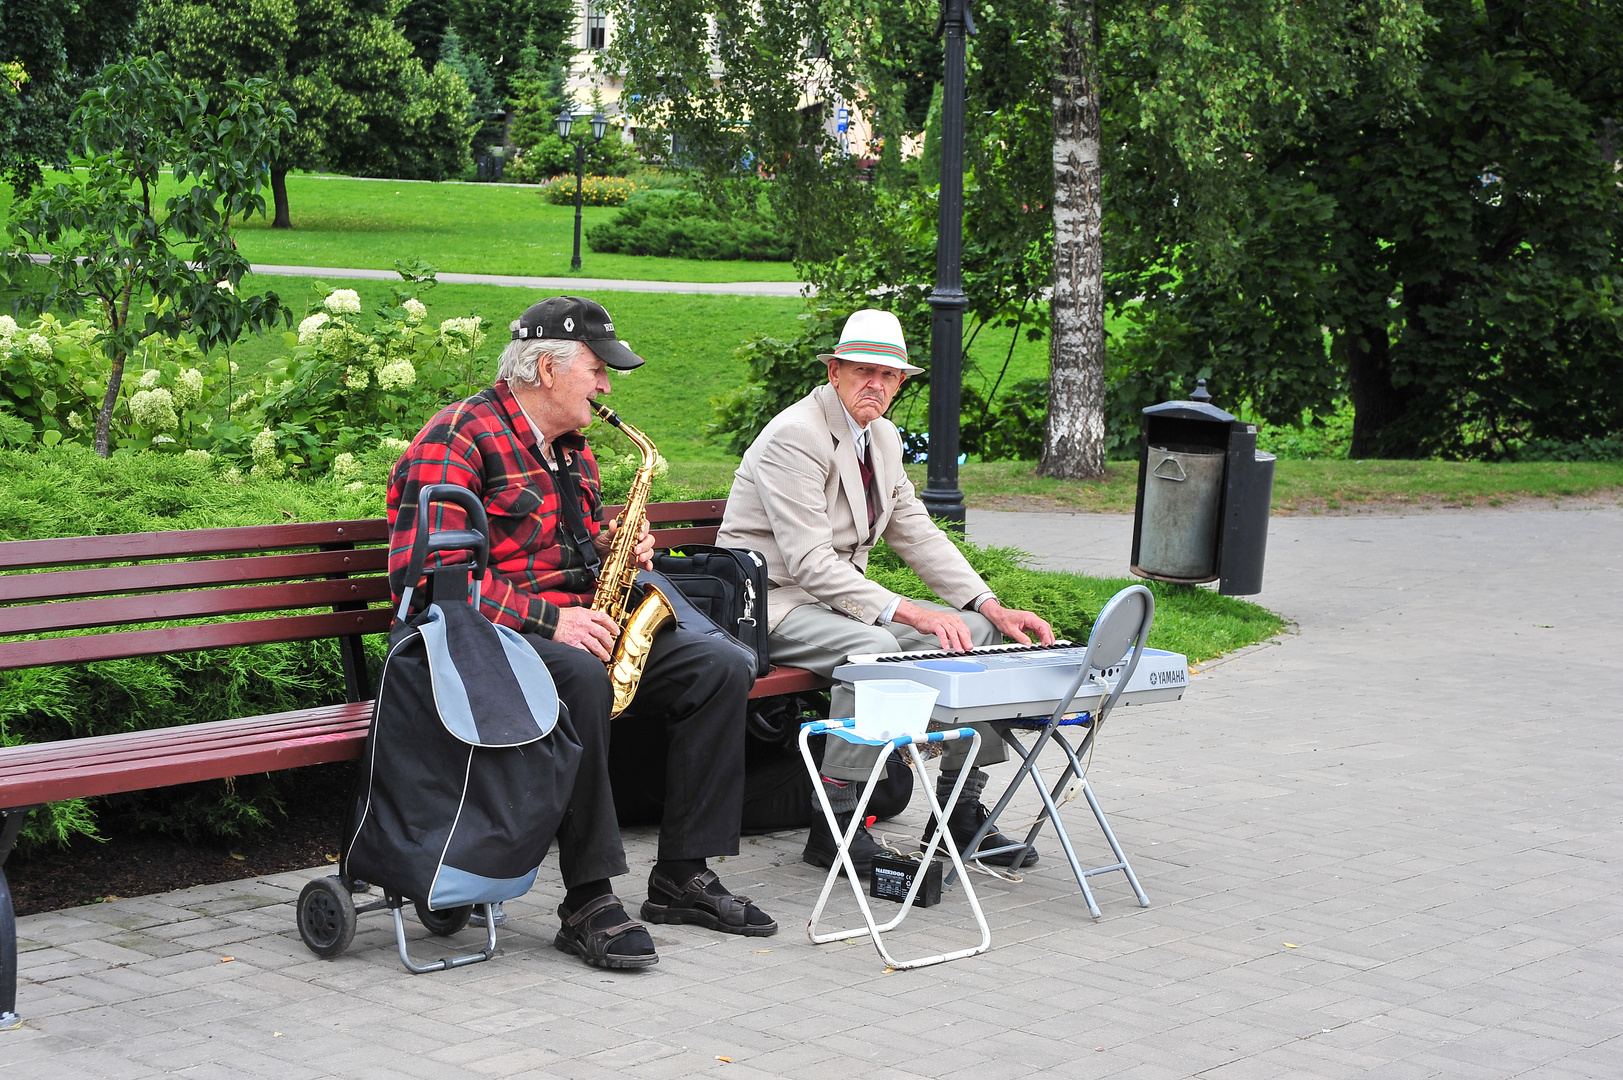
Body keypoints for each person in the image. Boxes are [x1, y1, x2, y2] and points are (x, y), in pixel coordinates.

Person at [386, 296, 775, 971]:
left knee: (719, 664)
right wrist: (553, 620)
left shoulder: (573, 452)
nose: (605, 387)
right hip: (478, 638)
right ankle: (587, 897)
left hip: (574, 624)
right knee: (583, 675)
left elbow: (577, 556)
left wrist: (619, 549)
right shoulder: (456, 438)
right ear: (545, 367)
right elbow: (428, 581)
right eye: (597, 371)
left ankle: (682, 874)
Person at [717, 308, 1056, 875]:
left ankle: (959, 814)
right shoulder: (796, 435)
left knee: (979, 636)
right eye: (861, 370)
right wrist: (912, 613)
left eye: (888, 374)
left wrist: (987, 603)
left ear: (901, 384)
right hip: (770, 602)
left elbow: (916, 531)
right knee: (873, 655)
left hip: (834, 602)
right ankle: (837, 825)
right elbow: (807, 562)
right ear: (835, 372)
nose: (874, 383)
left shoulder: (884, 437)